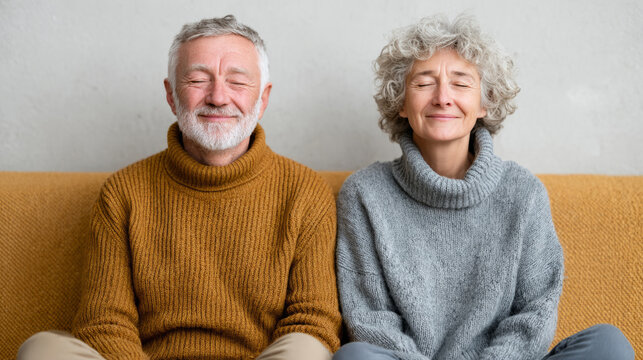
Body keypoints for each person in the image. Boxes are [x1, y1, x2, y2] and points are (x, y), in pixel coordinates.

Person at [18, 15, 341, 360]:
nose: (218, 97)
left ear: (262, 99)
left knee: (305, 348)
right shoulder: (123, 192)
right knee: (42, 348)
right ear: (171, 96)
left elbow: (313, 321)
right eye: (198, 80)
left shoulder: (305, 192)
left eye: (237, 82)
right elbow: (105, 323)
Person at [332, 14, 634, 360]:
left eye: (461, 84)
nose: (443, 97)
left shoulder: (523, 192)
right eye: (424, 83)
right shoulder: (365, 194)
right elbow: (371, 319)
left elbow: (535, 313)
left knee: (607, 344)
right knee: (354, 356)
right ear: (401, 102)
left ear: (484, 103)